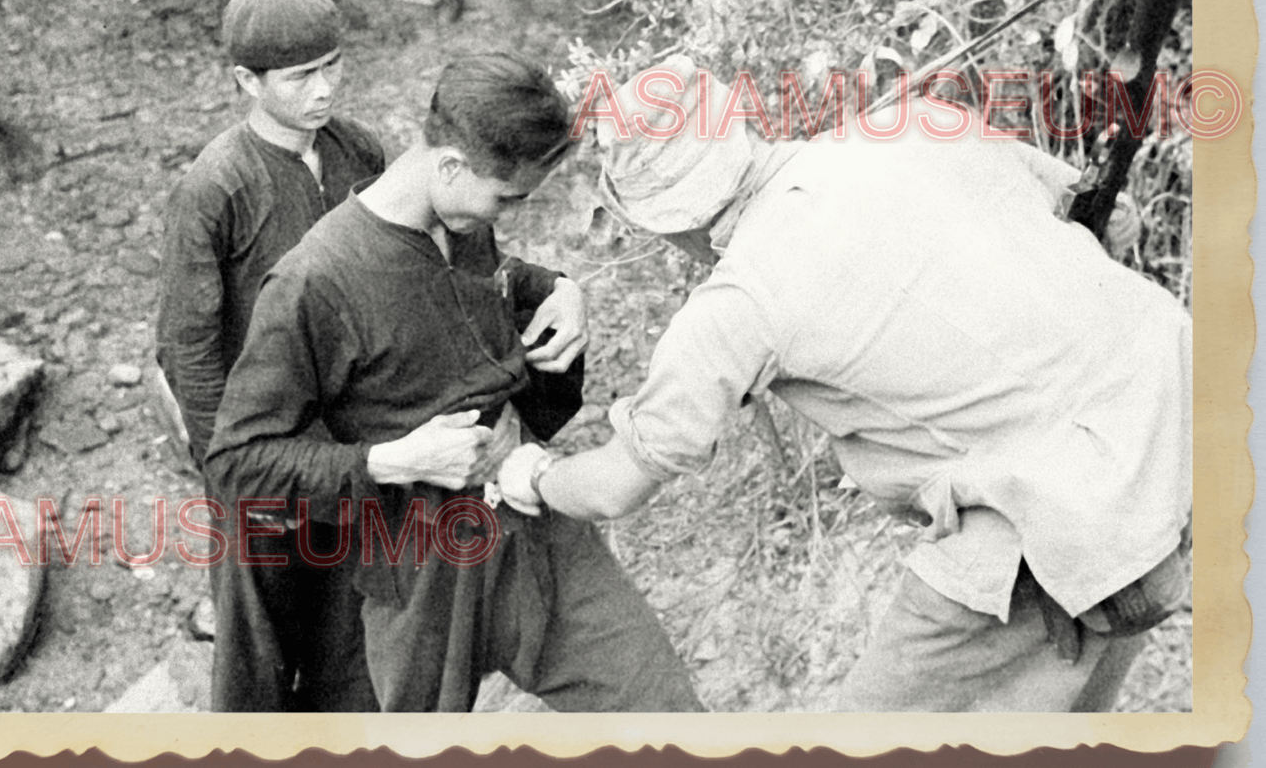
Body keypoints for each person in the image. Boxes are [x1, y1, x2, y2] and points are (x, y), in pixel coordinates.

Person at [500, 55, 1192, 712]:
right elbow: (1102, 220)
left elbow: (616, 484)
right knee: (1059, 706)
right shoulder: (916, 121)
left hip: (1067, 511)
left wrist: (530, 473)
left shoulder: (733, 307)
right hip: (1181, 414)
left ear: (661, 218)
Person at [207, 53, 703, 713]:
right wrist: (391, 458)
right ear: (448, 165)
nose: (508, 213)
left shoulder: (461, 221)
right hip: (421, 574)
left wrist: (560, 288)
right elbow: (238, 464)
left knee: (665, 716)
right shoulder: (313, 283)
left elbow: (467, 286)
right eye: (505, 197)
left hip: (534, 528)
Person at [154, 0, 385, 712]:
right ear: (245, 82)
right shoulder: (216, 186)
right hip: (258, 453)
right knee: (257, 651)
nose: (323, 90)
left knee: (351, 637)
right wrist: (230, 466)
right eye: (300, 76)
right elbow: (186, 346)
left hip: (347, 445)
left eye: (332, 66)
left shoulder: (357, 151)